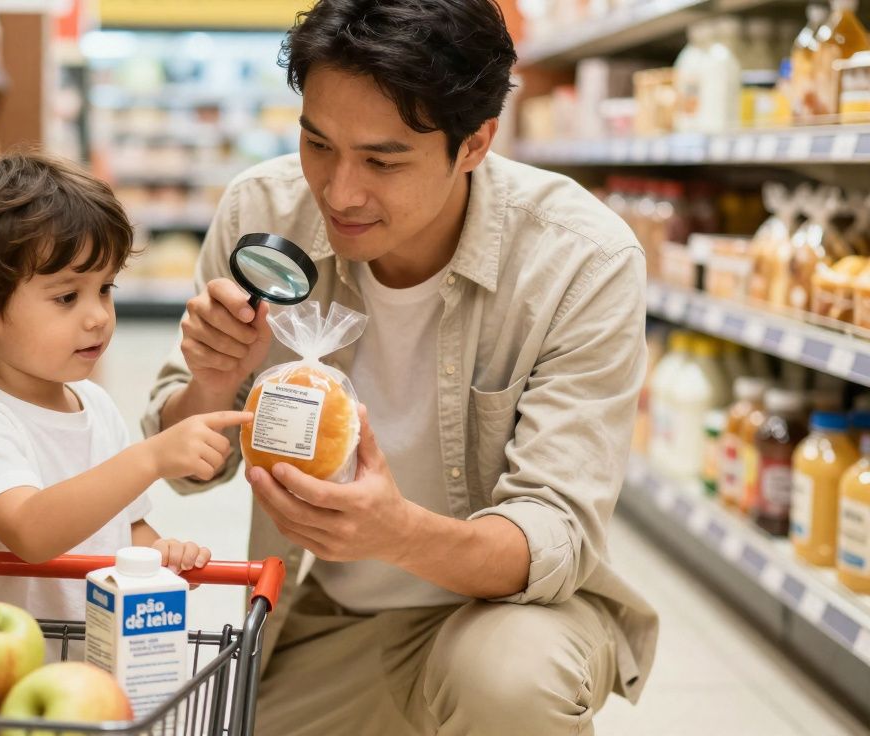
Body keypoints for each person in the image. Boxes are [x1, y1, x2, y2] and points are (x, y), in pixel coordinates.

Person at [140, 1, 659, 734]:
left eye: (383, 160)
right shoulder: (263, 212)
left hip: (507, 615)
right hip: (325, 611)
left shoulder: (580, 259)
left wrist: (397, 534)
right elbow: (189, 469)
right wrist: (212, 379)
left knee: (509, 682)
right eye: (317, 144)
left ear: (475, 142)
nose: (339, 192)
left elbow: (555, 534)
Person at [0, 151, 252, 622]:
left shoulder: (94, 405)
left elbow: (124, 526)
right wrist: (149, 458)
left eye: (105, 289)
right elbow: (31, 531)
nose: (98, 317)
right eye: (67, 297)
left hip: (90, 673)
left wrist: (158, 553)